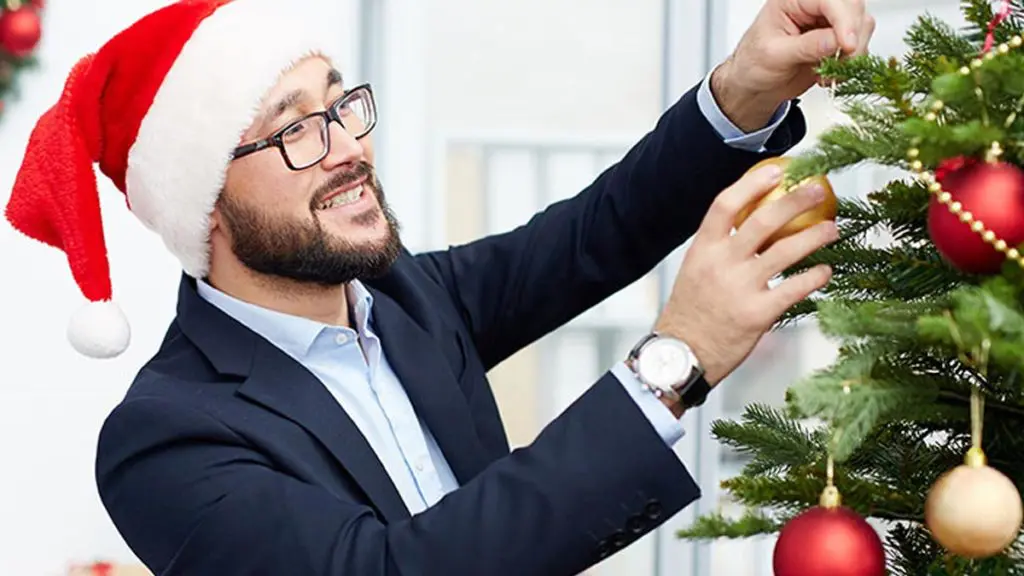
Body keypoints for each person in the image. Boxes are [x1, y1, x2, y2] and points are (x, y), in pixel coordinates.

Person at [5, 0, 874, 574]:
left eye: (342, 106)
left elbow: (593, 234)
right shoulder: (163, 444)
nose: (347, 144)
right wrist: (672, 362)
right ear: (207, 209)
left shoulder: (410, 300)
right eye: (296, 131)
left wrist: (741, 91)